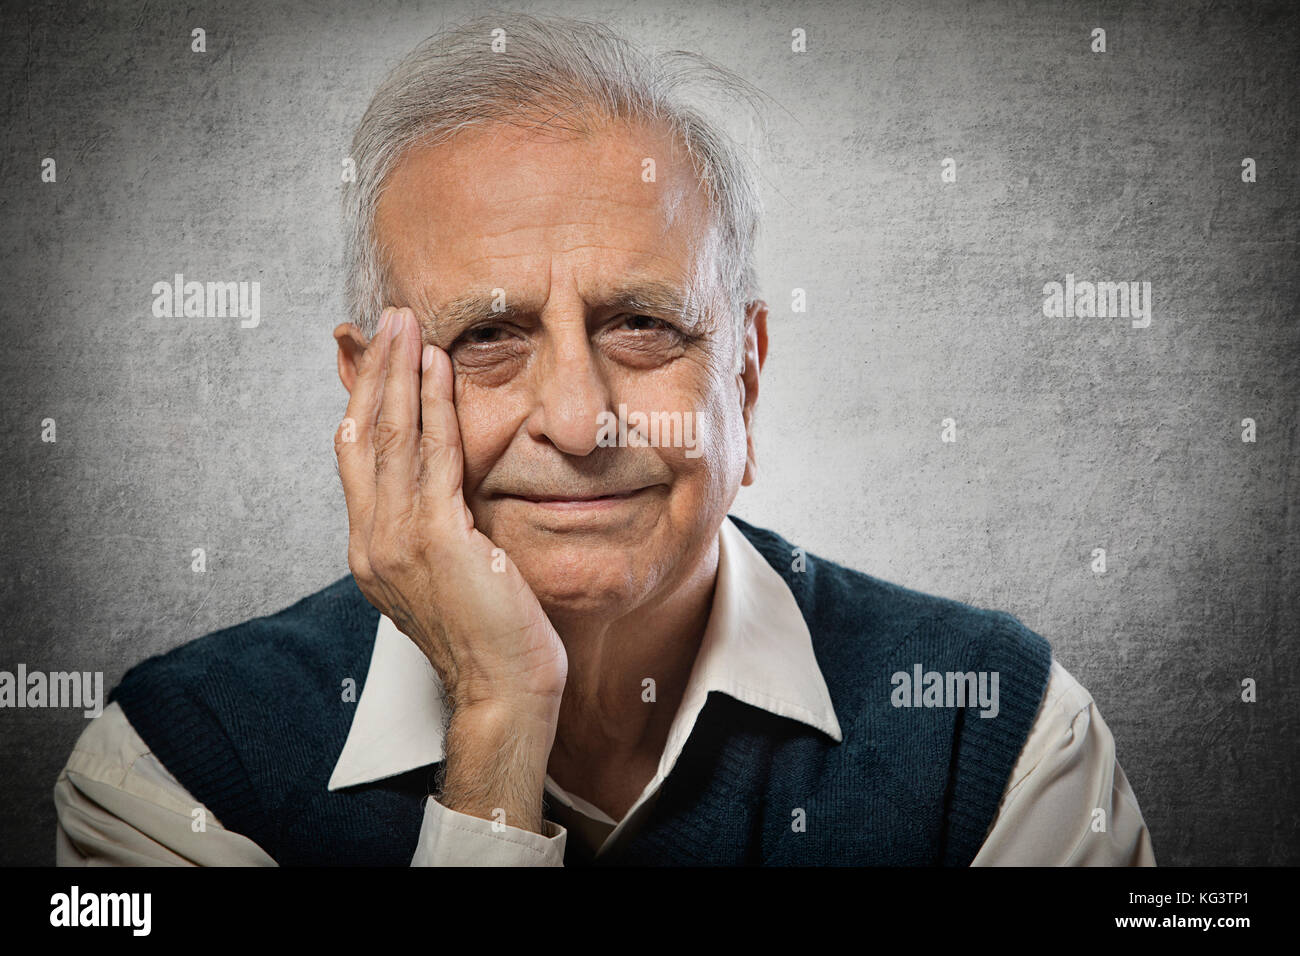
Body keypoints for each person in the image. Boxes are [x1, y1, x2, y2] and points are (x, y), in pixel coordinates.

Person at [54, 14, 1154, 866]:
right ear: (372, 396)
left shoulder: (995, 728)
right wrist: (497, 721)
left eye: (643, 324)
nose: (579, 423)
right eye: (487, 334)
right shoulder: (170, 765)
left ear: (747, 372)